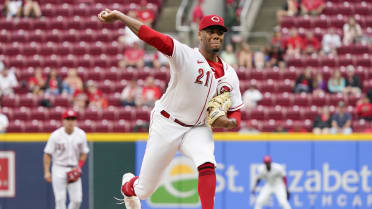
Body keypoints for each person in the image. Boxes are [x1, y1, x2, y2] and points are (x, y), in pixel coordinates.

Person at [98, 10, 243, 209]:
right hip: (167, 123)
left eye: (219, 31)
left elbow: (236, 111)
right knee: (145, 190)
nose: (216, 35)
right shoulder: (185, 55)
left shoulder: (230, 74)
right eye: (210, 31)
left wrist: (231, 122)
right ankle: (128, 186)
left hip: (197, 128)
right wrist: (120, 16)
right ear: (200, 34)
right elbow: (150, 35)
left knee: (207, 162)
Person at [43, 110, 89, 209]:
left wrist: (79, 167)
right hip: (59, 168)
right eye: (68, 119)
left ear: (75, 121)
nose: (70, 121)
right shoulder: (55, 135)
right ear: (63, 120)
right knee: (60, 200)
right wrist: (47, 171)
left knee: (77, 200)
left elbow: (84, 152)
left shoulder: (81, 134)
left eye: (72, 119)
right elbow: (47, 154)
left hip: (74, 168)